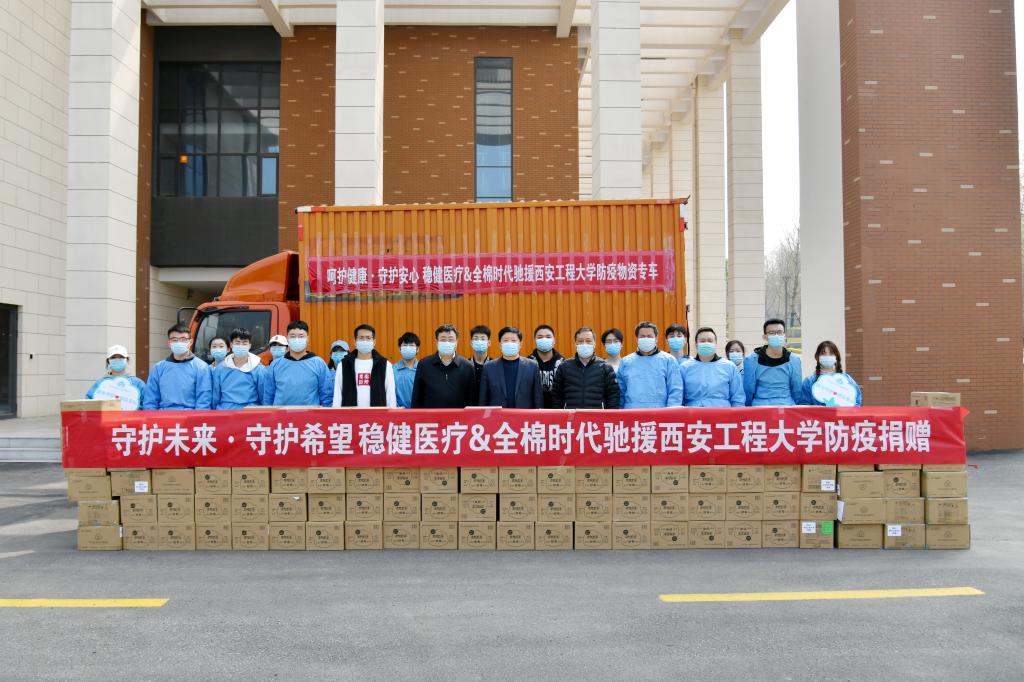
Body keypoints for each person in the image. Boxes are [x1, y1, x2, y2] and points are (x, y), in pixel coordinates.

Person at [141, 324, 212, 410]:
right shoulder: (158, 368)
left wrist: (196, 417)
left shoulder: (201, 367)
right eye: (174, 340)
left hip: (190, 416)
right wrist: (152, 416)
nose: (179, 343)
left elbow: (203, 401)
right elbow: (150, 399)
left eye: (183, 339)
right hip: (164, 416)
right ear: (169, 343)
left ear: (190, 342)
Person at [264, 320, 333, 407]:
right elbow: (268, 395)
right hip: (281, 414)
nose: (297, 339)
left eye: (301, 336)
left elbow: (326, 395)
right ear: (287, 339)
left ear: (307, 338)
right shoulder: (276, 364)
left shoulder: (318, 363)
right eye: (292, 336)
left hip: (310, 414)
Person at [616, 322, 684, 408]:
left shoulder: (668, 360)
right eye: (642, 336)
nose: (646, 339)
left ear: (656, 338)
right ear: (637, 339)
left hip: (660, 412)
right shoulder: (626, 362)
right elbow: (620, 392)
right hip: (631, 412)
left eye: (649, 336)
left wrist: (670, 412)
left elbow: (675, 390)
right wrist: (620, 412)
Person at [551, 327, 620, 409]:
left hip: (597, 416)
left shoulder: (605, 368)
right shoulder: (564, 367)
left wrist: (609, 415)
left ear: (594, 344)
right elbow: (556, 396)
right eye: (580, 341)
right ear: (575, 344)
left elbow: (613, 396)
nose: (584, 344)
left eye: (588, 341)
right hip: (571, 416)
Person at [411, 325, 477, 409]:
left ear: (456, 342)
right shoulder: (424, 365)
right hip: (431, 417)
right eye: (443, 339)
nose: (447, 343)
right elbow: (416, 397)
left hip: (458, 417)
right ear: (436, 342)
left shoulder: (467, 367)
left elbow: (472, 400)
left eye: (451, 339)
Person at [333, 323, 397, 408]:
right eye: (361, 338)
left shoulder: (385, 364)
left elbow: (390, 395)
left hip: (377, 415)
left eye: (368, 338)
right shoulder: (344, 365)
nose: (365, 341)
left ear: (374, 342)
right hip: (350, 415)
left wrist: (392, 413)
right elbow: (337, 395)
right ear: (355, 342)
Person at [479, 326, 543, 408]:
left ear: (520, 344)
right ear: (500, 345)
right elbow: (483, 400)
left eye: (513, 340)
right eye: (506, 340)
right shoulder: (488, 368)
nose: (509, 343)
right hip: (497, 415)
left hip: (524, 415)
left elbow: (538, 398)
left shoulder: (532, 366)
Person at [743, 318, 803, 406]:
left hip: (786, 406)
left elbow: (797, 389)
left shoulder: (794, 360)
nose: (776, 335)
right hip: (760, 406)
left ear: (784, 335)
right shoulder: (752, 360)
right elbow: (748, 389)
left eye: (779, 332)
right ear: (764, 337)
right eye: (771, 333)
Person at [680, 327, 744, 407]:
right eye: (702, 341)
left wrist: (737, 413)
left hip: (722, 413)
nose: (706, 343)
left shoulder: (729, 367)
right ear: (696, 344)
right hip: (693, 412)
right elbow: (679, 397)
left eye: (710, 341)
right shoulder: (685, 367)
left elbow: (738, 398)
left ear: (715, 343)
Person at [211, 328, 266, 409]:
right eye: (237, 343)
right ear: (231, 345)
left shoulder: (259, 369)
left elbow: (264, 397)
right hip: (225, 411)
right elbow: (215, 397)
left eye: (244, 343)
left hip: (250, 412)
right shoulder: (221, 368)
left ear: (250, 345)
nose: (241, 346)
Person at [801, 341, 863, 406]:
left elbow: (856, 401)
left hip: (842, 413)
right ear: (817, 357)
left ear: (836, 357)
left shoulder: (846, 379)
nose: (827, 356)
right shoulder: (809, 381)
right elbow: (804, 405)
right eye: (823, 353)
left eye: (831, 353)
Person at [85, 344, 146, 410]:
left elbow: (147, 404)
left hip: (132, 417)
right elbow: (88, 404)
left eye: (121, 357)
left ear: (126, 360)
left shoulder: (137, 383)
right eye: (113, 357)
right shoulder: (100, 383)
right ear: (108, 361)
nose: (117, 359)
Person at [529, 324, 563, 409]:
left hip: (557, 411)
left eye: (548, 337)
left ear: (554, 340)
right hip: (533, 412)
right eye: (540, 337)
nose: (544, 339)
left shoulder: (563, 364)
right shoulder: (527, 364)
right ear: (535, 340)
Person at [394, 332, 420, 409]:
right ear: (400, 349)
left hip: (419, 412)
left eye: (411, 345)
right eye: (405, 345)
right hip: (397, 413)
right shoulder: (391, 370)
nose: (408, 348)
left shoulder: (423, 369)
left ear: (417, 349)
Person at [469, 325, 492, 393]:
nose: (479, 341)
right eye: (476, 339)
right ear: (471, 343)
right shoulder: (465, 365)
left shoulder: (496, 365)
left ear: (489, 343)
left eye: (483, 339)